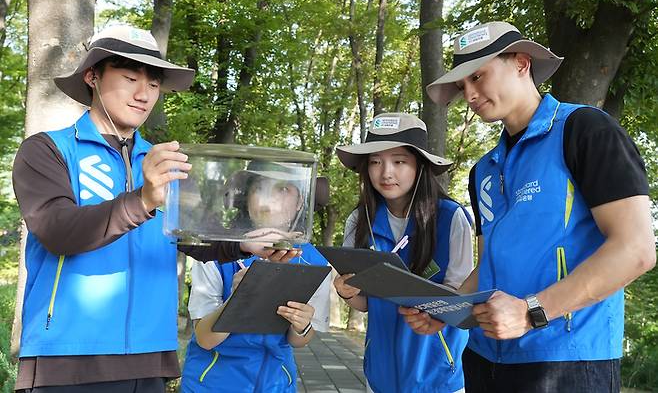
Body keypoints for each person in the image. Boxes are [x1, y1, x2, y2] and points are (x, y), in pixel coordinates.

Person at [10, 25, 277, 393]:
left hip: (152, 357)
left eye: (154, 84)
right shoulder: (47, 150)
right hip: (67, 358)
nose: (143, 94)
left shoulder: (166, 162)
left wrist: (244, 244)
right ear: (92, 76)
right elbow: (57, 230)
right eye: (130, 77)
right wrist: (144, 199)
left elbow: (194, 238)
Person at [402, 21, 656, 392]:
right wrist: (447, 309)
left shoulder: (585, 130)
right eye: (462, 85)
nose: (469, 94)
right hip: (484, 355)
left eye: (478, 76)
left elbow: (636, 250)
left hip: (566, 360)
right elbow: (487, 263)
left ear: (521, 63)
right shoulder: (483, 170)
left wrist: (531, 311)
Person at [333, 112, 474, 393]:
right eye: (375, 162)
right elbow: (364, 302)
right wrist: (346, 292)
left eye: (399, 161)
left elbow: (460, 294)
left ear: (420, 165)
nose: (386, 172)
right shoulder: (359, 221)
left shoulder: (450, 218)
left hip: (437, 370)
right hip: (381, 369)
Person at [180, 161, 331, 393]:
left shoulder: (314, 261)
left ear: (301, 200)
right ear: (246, 197)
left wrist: (301, 325)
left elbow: (300, 339)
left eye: (282, 189)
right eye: (259, 188)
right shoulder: (216, 250)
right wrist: (237, 299)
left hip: (277, 384)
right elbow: (205, 338)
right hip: (212, 383)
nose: (268, 200)